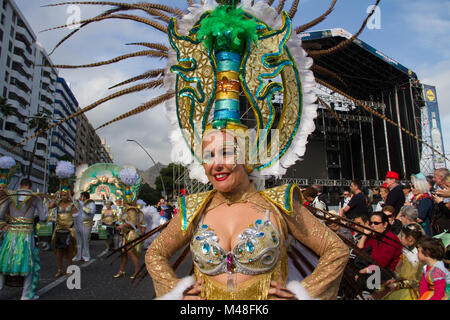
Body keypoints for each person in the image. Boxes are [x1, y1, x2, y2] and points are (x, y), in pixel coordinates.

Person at [0, 178, 48, 300]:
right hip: (27, 235)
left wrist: (5, 225)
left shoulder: (10, 197)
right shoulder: (35, 198)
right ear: (30, 187)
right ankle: (26, 295)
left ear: (20, 185)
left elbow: (0, 214)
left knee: (5, 261)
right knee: (29, 263)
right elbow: (43, 218)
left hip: (11, 234)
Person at [114, 168, 146, 279]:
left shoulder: (131, 210)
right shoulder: (126, 210)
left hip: (131, 234)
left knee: (130, 253)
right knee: (124, 254)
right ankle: (121, 270)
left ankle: (138, 271)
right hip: (126, 234)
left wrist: (123, 225)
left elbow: (132, 222)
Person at [378, 223, 425, 300]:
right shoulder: (406, 250)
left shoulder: (415, 257)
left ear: (410, 238)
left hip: (410, 289)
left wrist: (398, 284)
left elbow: (416, 280)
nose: (400, 238)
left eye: (402, 236)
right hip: (401, 282)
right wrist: (395, 280)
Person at [47, 161, 78, 278]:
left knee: (69, 250)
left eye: (65, 195)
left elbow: (78, 209)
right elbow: (50, 206)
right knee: (59, 250)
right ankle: (59, 269)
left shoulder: (71, 203)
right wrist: (55, 197)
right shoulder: (58, 202)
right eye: (62, 195)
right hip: (59, 229)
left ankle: (69, 269)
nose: (64, 197)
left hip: (69, 230)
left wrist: (71, 197)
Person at [357, 212, 403, 279]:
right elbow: (359, 251)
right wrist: (365, 235)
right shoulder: (376, 236)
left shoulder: (391, 239)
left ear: (385, 224)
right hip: (375, 270)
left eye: (376, 223)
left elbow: (381, 263)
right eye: (371, 223)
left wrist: (363, 271)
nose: (372, 225)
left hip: (388, 274)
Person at [73, 191, 96, 262]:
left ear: (84, 197)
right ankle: (78, 256)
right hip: (78, 223)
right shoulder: (80, 203)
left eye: (81, 196)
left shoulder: (91, 203)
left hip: (86, 223)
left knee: (85, 241)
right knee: (78, 241)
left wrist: (82, 207)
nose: (80, 198)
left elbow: (90, 212)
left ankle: (86, 256)